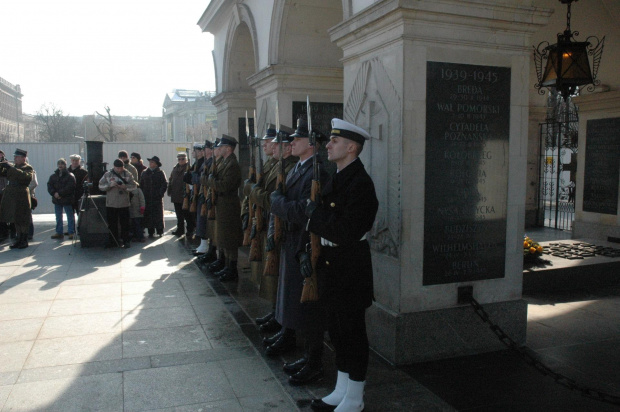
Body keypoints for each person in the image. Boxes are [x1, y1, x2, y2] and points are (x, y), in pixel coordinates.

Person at [307, 119, 378, 412]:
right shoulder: (337, 177)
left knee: (352, 333)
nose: (328, 145)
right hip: (331, 264)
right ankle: (342, 388)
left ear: (351, 148)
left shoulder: (360, 183)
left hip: (349, 268)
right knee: (337, 331)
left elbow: (345, 231)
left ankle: (356, 397)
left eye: (334, 142)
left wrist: (313, 218)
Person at [269, 121, 328, 385]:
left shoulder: (318, 173)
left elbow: (303, 210)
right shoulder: (297, 168)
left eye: (298, 138)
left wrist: (277, 202)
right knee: (294, 300)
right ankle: (306, 353)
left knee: (309, 307)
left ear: (312, 144)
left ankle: (315, 360)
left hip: (305, 244)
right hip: (292, 241)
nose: (291, 142)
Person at [251, 124, 298, 334]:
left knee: (279, 273)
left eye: (277, 144)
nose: (270, 147)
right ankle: (275, 311)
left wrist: (252, 192)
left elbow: (272, 200)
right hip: (271, 223)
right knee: (273, 271)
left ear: (288, 149)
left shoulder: (288, 168)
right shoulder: (276, 165)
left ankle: (281, 319)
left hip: (280, 226)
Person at [205, 135, 243, 281]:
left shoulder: (232, 164)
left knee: (229, 238)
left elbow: (225, 186)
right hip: (222, 203)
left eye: (221, 147)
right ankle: (226, 265)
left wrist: (211, 181)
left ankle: (231, 268)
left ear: (228, 148)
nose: (218, 149)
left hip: (229, 204)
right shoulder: (224, 162)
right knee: (223, 236)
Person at [0, 149, 34, 249]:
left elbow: (26, 177)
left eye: (17, 157)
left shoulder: (27, 167)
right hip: (12, 196)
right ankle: (19, 239)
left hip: (21, 195)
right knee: (16, 219)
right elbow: (3, 173)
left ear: (23, 158)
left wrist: (10, 167)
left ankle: (24, 240)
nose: (15, 158)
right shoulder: (14, 167)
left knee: (22, 218)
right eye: (14, 157)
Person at [99, 159, 136, 248]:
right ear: (114, 167)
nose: (119, 170)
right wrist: (109, 186)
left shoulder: (127, 174)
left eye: (121, 168)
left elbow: (134, 186)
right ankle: (113, 241)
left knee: (125, 224)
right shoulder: (108, 174)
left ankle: (126, 241)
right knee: (112, 224)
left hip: (124, 204)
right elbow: (100, 186)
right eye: (117, 168)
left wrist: (125, 187)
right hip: (111, 204)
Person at [47, 158, 76, 240]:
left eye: (62, 163)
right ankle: (59, 232)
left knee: (70, 216)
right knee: (58, 217)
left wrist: (60, 194)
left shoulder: (70, 175)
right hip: (57, 200)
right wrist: (54, 193)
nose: (60, 165)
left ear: (65, 165)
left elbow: (70, 187)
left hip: (67, 199)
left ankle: (71, 232)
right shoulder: (53, 176)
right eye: (59, 164)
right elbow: (49, 186)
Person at [140, 156, 168, 238]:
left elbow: (164, 184)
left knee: (158, 215)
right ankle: (150, 231)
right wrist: (143, 194)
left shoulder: (160, 173)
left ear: (156, 164)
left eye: (152, 162)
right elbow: (141, 184)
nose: (150, 163)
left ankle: (160, 230)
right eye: (150, 162)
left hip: (157, 198)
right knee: (148, 215)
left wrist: (160, 193)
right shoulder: (145, 173)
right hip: (147, 197)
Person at [168, 152, 193, 237]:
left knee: (187, 215)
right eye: (179, 159)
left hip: (185, 195)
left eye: (183, 159)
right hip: (176, 194)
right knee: (179, 215)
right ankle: (180, 230)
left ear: (186, 159)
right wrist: (169, 190)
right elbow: (171, 179)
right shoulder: (175, 168)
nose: (181, 160)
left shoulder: (189, 168)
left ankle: (190, 230)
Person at [68, 154, 88, 219]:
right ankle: (71, 229)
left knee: (80, 215)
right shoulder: (66, 171)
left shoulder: (84, 172)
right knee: (70, 216)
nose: (74, 162)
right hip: (69, 196)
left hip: (79, 197)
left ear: (79, 161)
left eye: (76, 160)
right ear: (71, 161)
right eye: (73, 160)